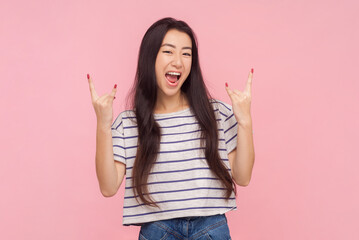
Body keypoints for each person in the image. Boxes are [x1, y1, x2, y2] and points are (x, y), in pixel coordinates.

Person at [88, 17, 255, 240]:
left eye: (186, 53)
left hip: (211, 227)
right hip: (157, 230)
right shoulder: (129, 123)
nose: (178, 61)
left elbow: (243, 177)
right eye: (168, 51)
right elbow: (108, 188)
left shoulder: (216, 113)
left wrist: (245, 122)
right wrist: (103, 125)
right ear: (150, 58)